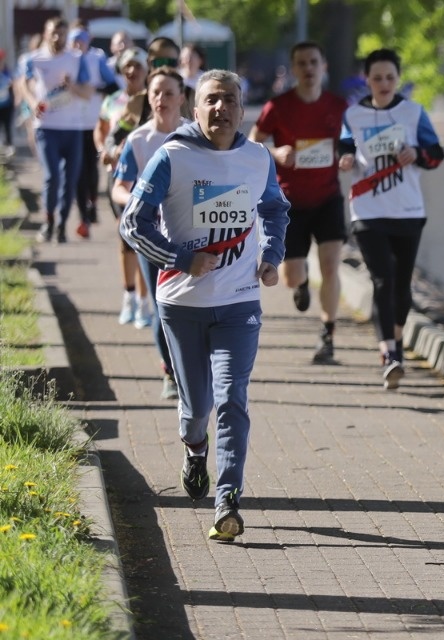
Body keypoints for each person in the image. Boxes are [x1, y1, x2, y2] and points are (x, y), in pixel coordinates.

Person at [119, 70, 290, 541]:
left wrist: (271, 255)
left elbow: (275, 209)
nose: (221, 108)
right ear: (195, 109)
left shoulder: (257, 158)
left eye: (230, 100)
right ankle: (195, 449)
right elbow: (132, 223)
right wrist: (182, 258)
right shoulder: (172, 155)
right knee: (197, 407)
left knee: (232, 397)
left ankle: (228, 498)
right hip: (182, 304)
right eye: (211, 100)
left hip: (239, 301)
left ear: (242, 109)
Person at [339, 48, 444, 388]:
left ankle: (397, 343)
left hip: (407, 210)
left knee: (401, 285)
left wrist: (417, 153)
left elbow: (436, 154)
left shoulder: (413, 112)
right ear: (367, 80)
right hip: (367, 211)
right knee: (382, 280)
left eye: (390, 77)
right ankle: (389, 354)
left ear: (398, 79)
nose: (384, 84)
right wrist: (345, 158)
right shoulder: (353, 115)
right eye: (377, 78)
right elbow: (344, 147)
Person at [250, 42, 348, 363]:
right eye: (302, 63)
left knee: (331, 266)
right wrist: (276, 153)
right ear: (293, 69)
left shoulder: (338, 106)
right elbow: (251, 144)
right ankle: (301, 283)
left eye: (313, 62)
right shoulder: (278, 107)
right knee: (291, 276)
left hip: (328, 197)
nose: (308, 69)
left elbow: (351, 143)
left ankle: (328, 335)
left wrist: (347, 155)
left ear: (324, 66)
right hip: (289, 202)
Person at [112, 66, 188, 400]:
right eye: (156, 92)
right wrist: (137, 200)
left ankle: (194, 368)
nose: (161, 99)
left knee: (194, 306)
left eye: (169, 93)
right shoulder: (139, 140)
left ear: (182, 98)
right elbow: (118, 187)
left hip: (191, 233)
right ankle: (170, 372)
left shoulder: (195, 135)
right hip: (152, 238)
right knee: (162, 306)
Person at [21, 16, 95, 244]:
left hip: (72, 127)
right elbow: (23, 84)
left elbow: (88, 92)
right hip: (46, 128)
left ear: (66, 35)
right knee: (52, 176)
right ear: (46, 33)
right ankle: (49, 220)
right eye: (53, 32)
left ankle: (62, 224)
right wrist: (33, 102)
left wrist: (71, 86)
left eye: (61, 33)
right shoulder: (34, 58)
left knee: (70, 180)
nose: (57, 37)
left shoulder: (77, 59)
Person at [97, 47, 151, 328]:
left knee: (145, 240)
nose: (132, 71)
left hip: (150, 178)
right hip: (121, 176)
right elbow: (104, 131)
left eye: (137, 66)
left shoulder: (154, 99)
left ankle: (144, 301)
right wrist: (106, 151)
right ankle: (129, 296)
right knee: (126, 237)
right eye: (127, 66)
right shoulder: (114, 101)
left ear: (147, 70)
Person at [69, 21, 118, 237]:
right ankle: (83, 218)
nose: (78, 45)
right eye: (74, 40)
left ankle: (93, 203)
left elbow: (113, 86)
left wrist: (93, 90)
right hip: (71, 123)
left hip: (93, 121)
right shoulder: (65, 59)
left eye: (81, 40)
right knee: (78, 170)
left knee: (91, 167)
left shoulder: (97, 58)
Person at [0, 49, 13, 154]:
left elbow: (12, 83)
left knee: (7, 127)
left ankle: (9, 146)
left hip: (7, 105)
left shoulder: (7, 71)